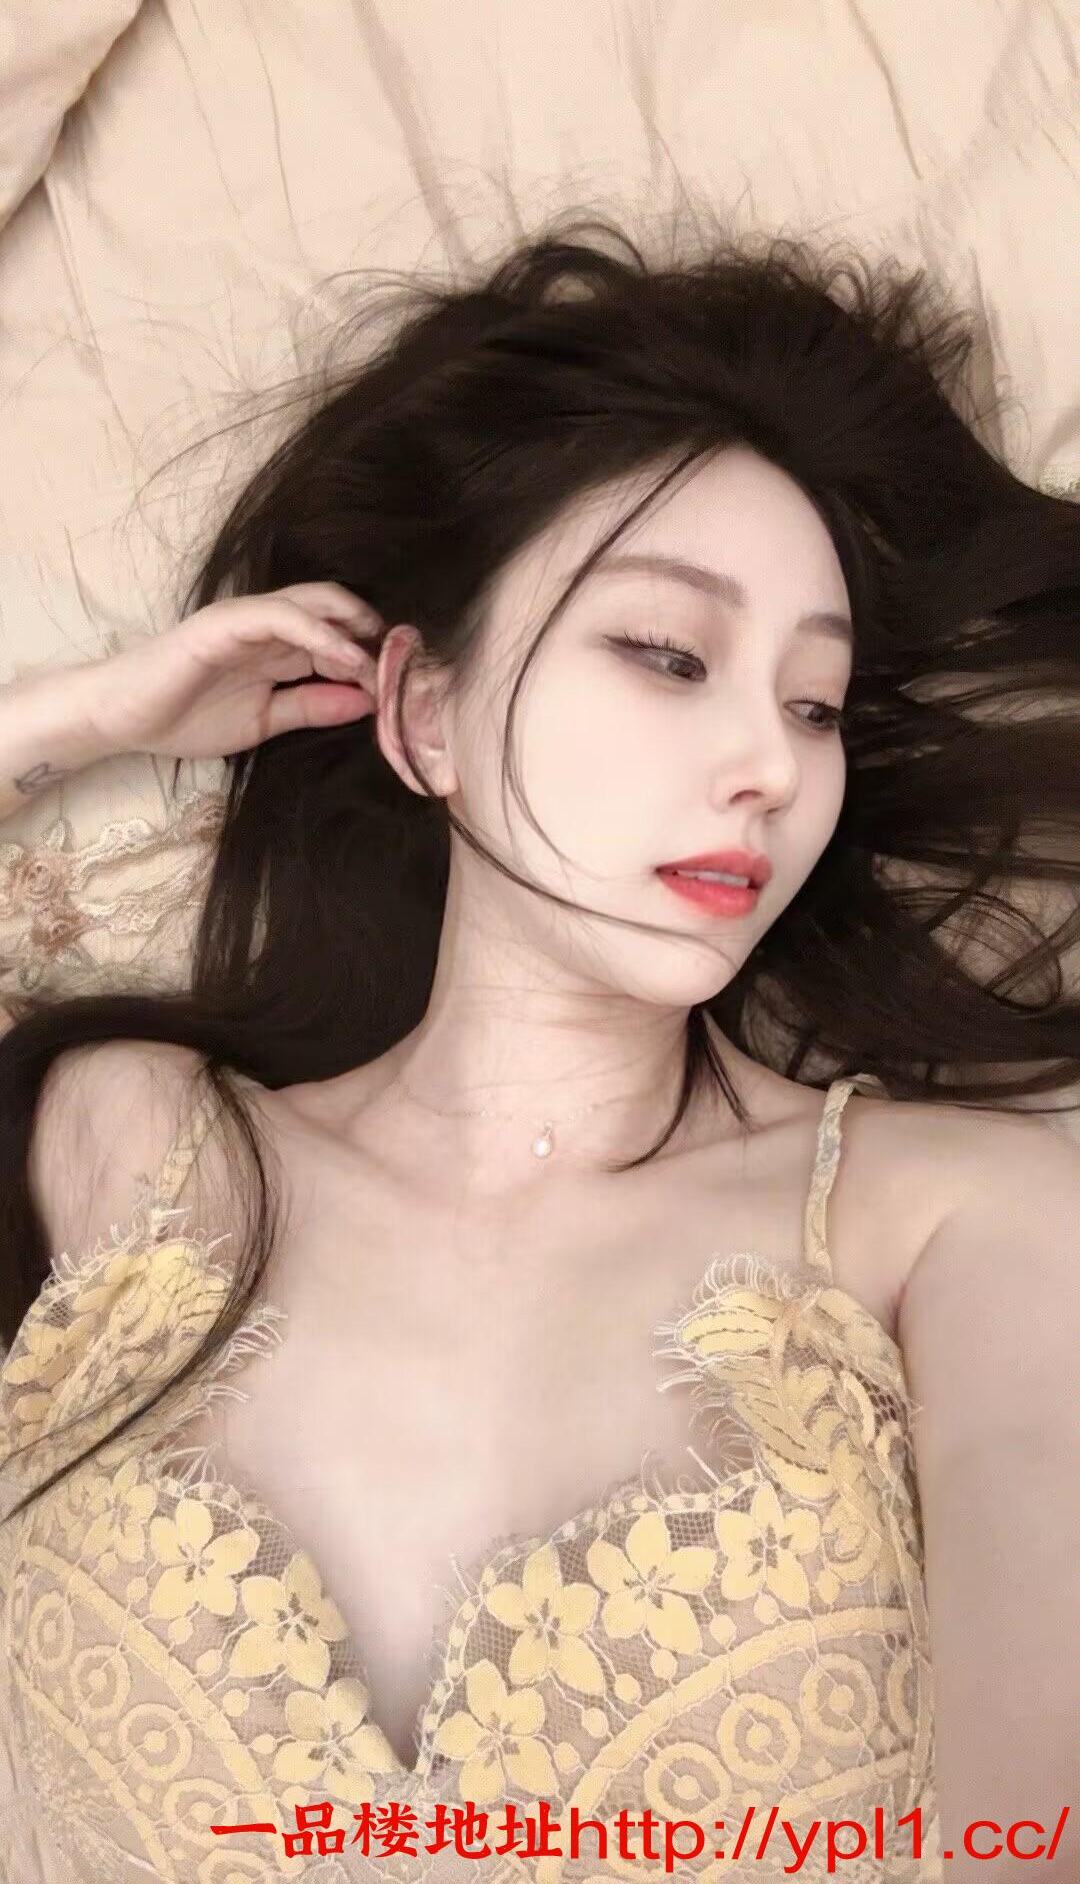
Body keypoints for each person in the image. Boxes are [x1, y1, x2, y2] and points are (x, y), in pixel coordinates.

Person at [0, 217, 1078, 1883]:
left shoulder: (954, 1215)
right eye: (668, 654)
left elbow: (1035, 1822)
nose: (770, 766)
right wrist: (68, 725)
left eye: (814, 705)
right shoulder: (142, 1149)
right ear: (426, 712)